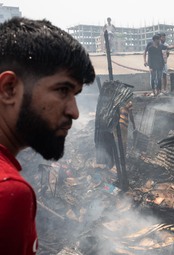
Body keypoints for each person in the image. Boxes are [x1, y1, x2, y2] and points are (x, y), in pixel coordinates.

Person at [0, 17, 95, 254]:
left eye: (76, 94)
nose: (74, 112)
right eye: (62, 90)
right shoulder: (9, 193)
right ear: (9, 88)